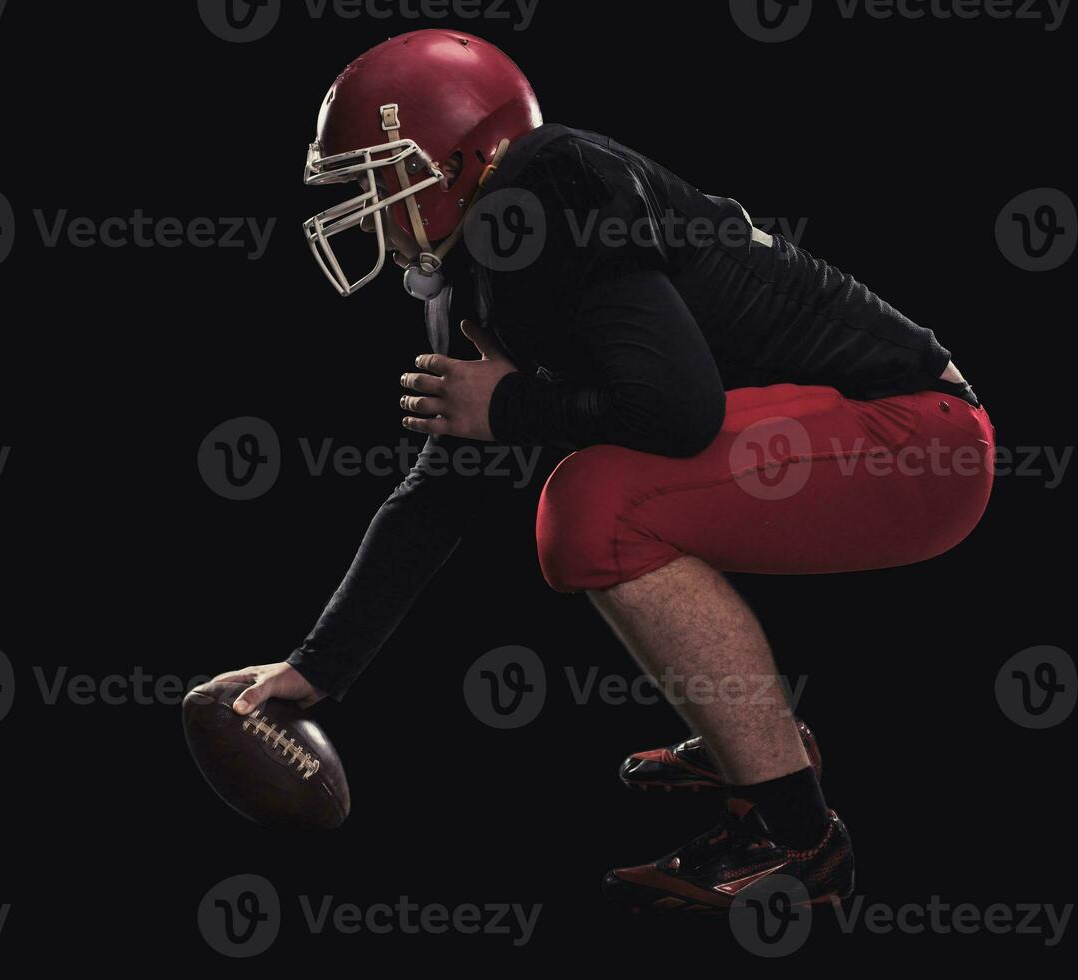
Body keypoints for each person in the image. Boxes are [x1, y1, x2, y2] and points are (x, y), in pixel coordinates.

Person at [210, 29, 993, 913]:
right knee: (602, 501)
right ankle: (756, 761)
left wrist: (509, 408)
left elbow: (679, 412)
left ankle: (803, 842)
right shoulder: (480, 265)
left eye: (384, 175)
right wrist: (318, 666)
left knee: (596, 508)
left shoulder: (553, 183)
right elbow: (445, 489)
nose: (369, 201)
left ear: (466, 160)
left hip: (919, 441)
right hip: (850, 435)